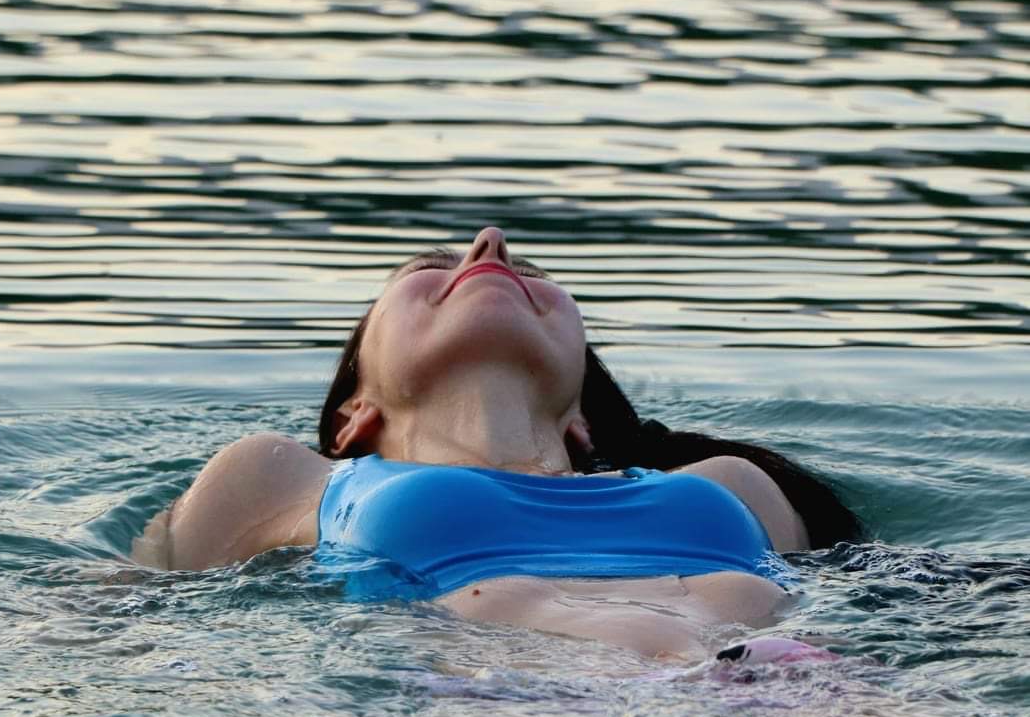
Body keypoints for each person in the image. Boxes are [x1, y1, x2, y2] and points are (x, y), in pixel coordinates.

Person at [132, 228, 861, 662]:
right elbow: (108, 623)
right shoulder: (286, 479)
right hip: (529, 703)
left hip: (794, 673)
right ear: (354, 414)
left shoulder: (734, 483)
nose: (491, 245)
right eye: (427, 273)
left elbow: (893, 593)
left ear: (582, 422)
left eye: (529, 277)